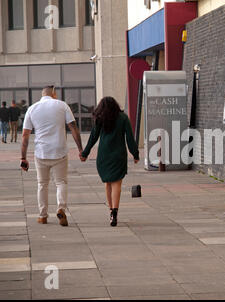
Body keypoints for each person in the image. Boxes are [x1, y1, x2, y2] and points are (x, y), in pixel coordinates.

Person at [21, 85, 83, 226]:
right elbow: (73, 127)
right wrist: (81, 149)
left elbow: (25, 135)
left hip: (41, 153)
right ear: (54, 94)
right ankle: (61, 208)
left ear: (42, 95)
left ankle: (43, 215)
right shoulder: (62, 105)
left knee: (42, 184)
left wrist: (23, 158)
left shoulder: (32, 108)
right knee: (61, 182)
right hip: (59, 152)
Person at [80, 96, 139, 227]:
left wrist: (85, 153)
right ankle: (115, 212)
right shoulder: (123, 118)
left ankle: (110, 211)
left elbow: (93, 137)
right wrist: (135, 154)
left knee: (107, 183)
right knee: (117, 184)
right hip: (118, 156)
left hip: (104, 156)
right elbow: (130, 138)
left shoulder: (100, 118)